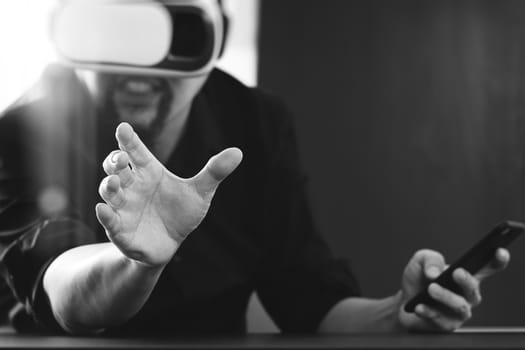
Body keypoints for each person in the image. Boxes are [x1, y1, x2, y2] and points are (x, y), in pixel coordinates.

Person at [0, 0, 510, 335]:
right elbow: (55, 285)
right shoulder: (24, 129)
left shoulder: (253, 122)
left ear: (214, 41)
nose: (142, 68)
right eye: (119, 29)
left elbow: (306, 298)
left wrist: (395, 313)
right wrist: (137, 263)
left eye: (177, 32)